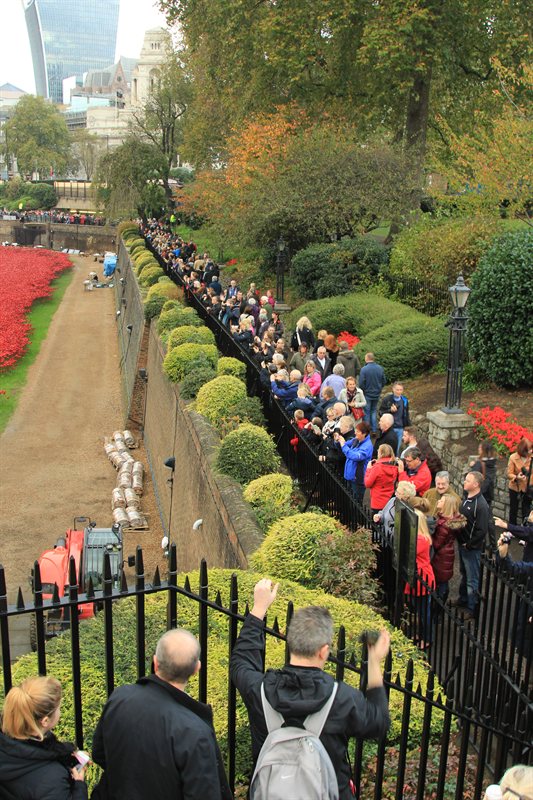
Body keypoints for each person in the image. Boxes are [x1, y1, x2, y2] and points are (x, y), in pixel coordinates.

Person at [230, 579, 391, 800]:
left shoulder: (259, 690)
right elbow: (379, 722)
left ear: (290, 642)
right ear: (324, 652)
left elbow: (241, 662)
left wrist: (259, 609)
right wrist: (373, 662)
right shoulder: (342, 699)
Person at [91, 629, 232, 800]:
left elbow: (99, 753)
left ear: (155, 662)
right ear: (197, 669)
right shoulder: (195, 731)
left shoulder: (120, 697)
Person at [0, 676, 88, 799]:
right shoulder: (52, 778)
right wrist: (79, 787)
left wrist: (65, 754)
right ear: (45, 721)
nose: (60, 712)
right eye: (58, 708)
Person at [456, 471, 494, 618]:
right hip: (463, 545)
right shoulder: (467, 499)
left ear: (476, 484)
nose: (464, 482)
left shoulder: (481, 505)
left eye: (467, 480)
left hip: (470, 548)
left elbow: (481, 530)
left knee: (472, 578)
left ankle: (472, 608)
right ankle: (463, 599)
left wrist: (469, 545)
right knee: (465, 573)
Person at [404, 509, 435, 649]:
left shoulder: (421, 539)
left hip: (423, 577)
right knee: (419, 609)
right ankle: (421, 634)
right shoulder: (417, 536)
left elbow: (407, 550)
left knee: (424, 612)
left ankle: (427, 638)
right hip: (416, 576)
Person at [432, 494, 466, 604]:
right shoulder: (451, 522)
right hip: (447, 555)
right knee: (443, 581)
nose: (438, 501)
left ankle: (439, 605)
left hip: (441, 557)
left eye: (441, 501)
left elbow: (436, 544)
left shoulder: (443, 525)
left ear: (446, 505)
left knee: (441, 583)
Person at [336, 420, 373, 503]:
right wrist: (337, 440)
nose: (355, 433)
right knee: (348, 501)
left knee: (355, 504)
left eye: (357, 432)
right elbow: (343, 445)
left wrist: (343, 445)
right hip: (349, 477)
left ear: (364, 434)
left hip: (357, 480)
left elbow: (354, 456)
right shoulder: (356, 440)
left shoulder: (367, 446)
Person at [364, 444, 401, 514]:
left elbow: (367, 484)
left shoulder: (377, 467)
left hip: (377, 501)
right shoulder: (395, 466)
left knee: (377, 521)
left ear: (381, 453)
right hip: (390, 501)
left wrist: (368, 469)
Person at [378, 382, 411, 454]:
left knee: (397, 449)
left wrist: (408, 427)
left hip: (400, 428)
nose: (399, 392)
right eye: (397, 390)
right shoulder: (387, 399)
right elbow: (380, 413)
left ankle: (395, 463)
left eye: (400, 390)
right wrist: (390, 410)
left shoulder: (404, 400)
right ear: (393, 389)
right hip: (389, 428)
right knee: (387, 448)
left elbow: (406, 414)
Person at [358, 353, 386, 433]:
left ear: (367, 359)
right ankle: (374, 430)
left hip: (367, 394)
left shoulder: (364, 369)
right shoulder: (380, 368)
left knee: (367, 412)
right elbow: (384, 380)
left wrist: (363, 391)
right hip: (377, 393)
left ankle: (367, 431)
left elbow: (361, 383)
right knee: (373, 411)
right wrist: (379, 388)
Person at [507, 437, 532, 525]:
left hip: (528, 488)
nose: (531, 451)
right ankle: (512, 528)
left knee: (526, 509)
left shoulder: (532, 458)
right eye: (529, 449)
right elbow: (509, 474)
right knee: (513, 509)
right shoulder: (513, 457)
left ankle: (525, 529)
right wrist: (517, 477)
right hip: (515, 487)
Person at [468, 440, 497, 506]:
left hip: (478, 495)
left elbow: (472, 480)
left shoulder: (479, 464)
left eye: (480, 448)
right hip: (488, 494)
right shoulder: (493, 463)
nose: (478, 449)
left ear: (483, 450)